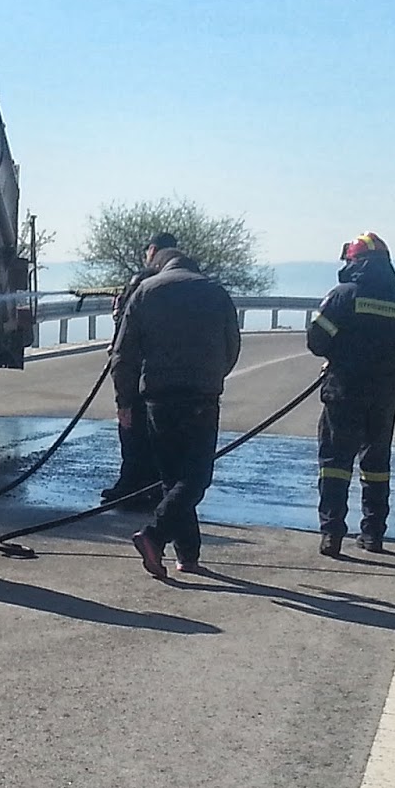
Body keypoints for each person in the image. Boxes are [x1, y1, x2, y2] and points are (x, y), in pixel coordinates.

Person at [111, 245, 240, 578]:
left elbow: (123, 354)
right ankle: (154, 536)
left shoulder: (145, 291)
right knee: (195, 479)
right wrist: (213, 375)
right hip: (200, 396)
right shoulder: (214, 292)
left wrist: (124, 401)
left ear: (159, 265)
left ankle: (188, 555)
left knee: (173, 480)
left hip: (156, 398)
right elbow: (231, 347)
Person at [306, 233, 395, 556]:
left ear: (356, 262)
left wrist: (339, 355)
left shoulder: (342, 296)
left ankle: (331, 533)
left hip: (344, 393)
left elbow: (316, 341)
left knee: (335, 463)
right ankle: (373, 534)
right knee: (377, 465)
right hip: (384, 397)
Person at [99, 231, 177, 511]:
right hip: (168, 372)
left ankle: (130, 486)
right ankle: (156, 487)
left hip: (139, 369)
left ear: (153, 250)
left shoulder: (142, 282)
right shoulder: (184, 283)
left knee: (132, 427)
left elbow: (126, 328)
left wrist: (117, 313)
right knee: (161, 434)